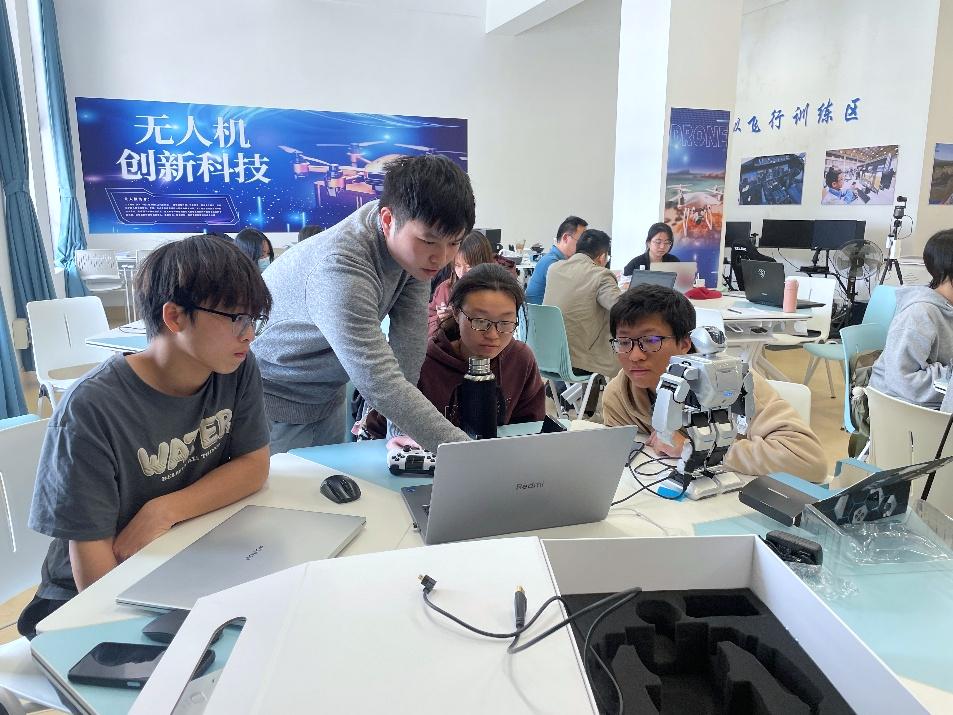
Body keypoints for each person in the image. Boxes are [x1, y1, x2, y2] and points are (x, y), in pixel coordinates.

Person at [20, 236, 272, 638]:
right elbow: (95, 578)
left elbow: (253, 466)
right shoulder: (92, 408)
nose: (249, 335)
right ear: (175, 317)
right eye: (236, 318)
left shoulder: (236, 368)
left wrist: (163, 510)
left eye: (254, 320)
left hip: (179, 552)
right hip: (83, 594)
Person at [251, 154, 474, 454]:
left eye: (454, 242)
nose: (442, 257)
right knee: (283, 485)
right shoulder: (341, 268)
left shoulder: (410, 251)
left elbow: (408, 345)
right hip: (275, 398)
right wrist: (468, 455)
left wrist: (399, 434)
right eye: (429, 241)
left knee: (332, 480)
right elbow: (378, 380)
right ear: (388, 220)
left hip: (327, 394)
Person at [602, 285, 827, 482]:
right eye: (624, 342)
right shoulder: (620, 396)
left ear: (685, 344)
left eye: (651, 340)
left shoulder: (731, 380)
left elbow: (808, 460)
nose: (635, 356)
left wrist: (693, 449)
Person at [366, 263, 545, 438]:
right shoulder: (420, 364)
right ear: (456, 313)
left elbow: (532, 429)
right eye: (480, 321)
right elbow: (377, 431)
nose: (492, 335)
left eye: (505, 323)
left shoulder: (520, 360)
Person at [870, 229, 953, 411]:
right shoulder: (919, 314)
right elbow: (902, 380)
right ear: (948, 273)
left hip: (931, 404)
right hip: (899, 409)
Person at [543, 229, 622, 379]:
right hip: (579, 363)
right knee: (631, 353)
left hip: (547, 357)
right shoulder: (601, 275)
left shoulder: (554, 269)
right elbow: (622, 309)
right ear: (602, 257)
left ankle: (570, 391)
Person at [428, 230, 494, 336]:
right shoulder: (446, 288)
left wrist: (458, 316)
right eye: (457, 265)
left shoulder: (495, 291)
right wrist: (440, 319)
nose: (462, 273)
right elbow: (426, 323)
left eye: (469, 266)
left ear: (484, 263)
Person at [525, 216, 588, 304]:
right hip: (542, 312)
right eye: (581, 241)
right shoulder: (552, 262)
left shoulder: (558, 260)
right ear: (565, 238)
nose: (585, 246)